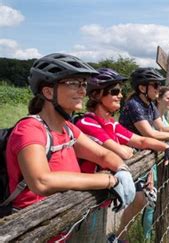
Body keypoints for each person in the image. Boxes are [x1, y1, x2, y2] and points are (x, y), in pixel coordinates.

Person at [4, 53, 135, 241]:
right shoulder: (30, 129)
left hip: (61, 226)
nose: (82, 91)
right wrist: (108, 181)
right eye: (73, 83)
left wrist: (122, 170)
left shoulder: (68, 129)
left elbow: (104, 155)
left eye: (83, 84)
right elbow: (42, 181)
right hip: (29, 231)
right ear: (49, 92)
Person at [74, 68, 169, 241]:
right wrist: (124, 149)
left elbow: (141, 141)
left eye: (121, 91)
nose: (120, 96)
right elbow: (121, 151)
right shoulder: (87, 122)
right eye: (115, 91)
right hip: (84, 197)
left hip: (101, 193)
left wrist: (167, 149)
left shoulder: (112, 124)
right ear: (96, 95)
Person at [119, 67, 169, 240]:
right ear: (143, 88)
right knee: (137, 199)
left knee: (142, 199)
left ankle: (121, 235)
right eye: (155, 86)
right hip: (128, 155)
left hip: (142, 154)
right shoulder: (134, 105)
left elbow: (162, 128)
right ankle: (121, 236)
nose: (158, 89)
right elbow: (151, 133)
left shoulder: (149, 104)